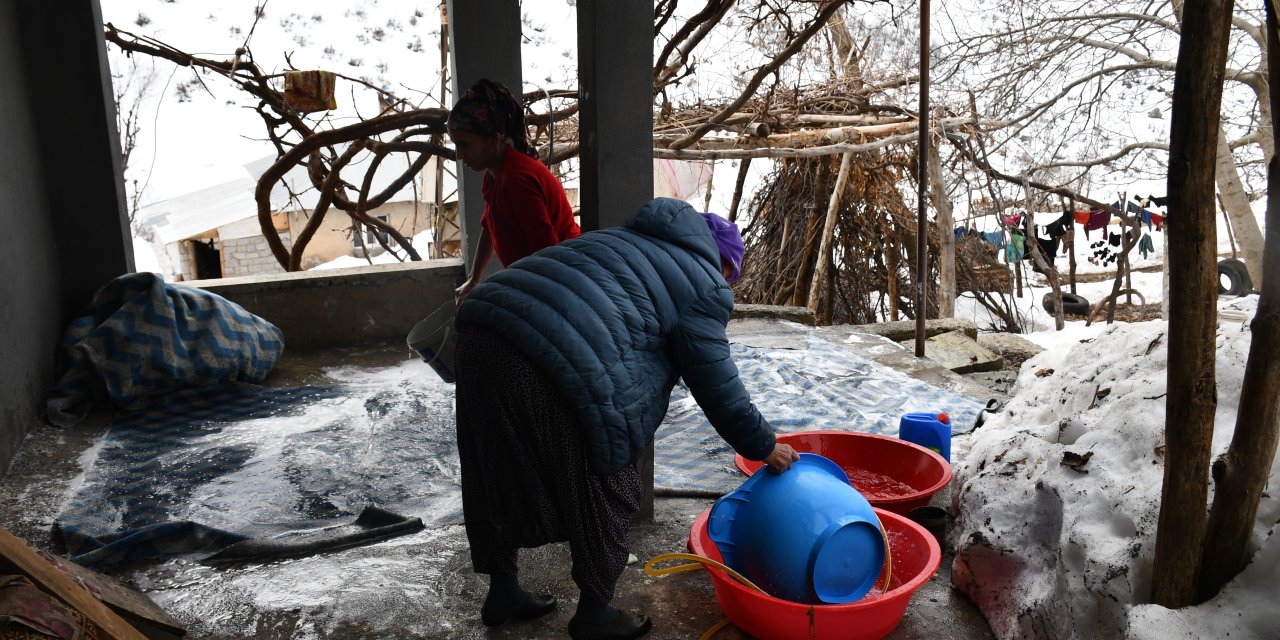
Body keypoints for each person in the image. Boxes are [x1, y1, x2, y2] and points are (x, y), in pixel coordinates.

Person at [453, 197, 799, 640]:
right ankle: (595, 614)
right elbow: (717, 384)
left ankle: (502, 590)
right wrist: (763, 445)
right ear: (725, 264)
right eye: (731, 274)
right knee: (604, 482)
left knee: (494, 468)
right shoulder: (705, 282)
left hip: (480, 330)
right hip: (546, 355)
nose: (727, 283)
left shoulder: (624, 239)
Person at [447, 78, 580, 302]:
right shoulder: (495, 176)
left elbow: (547, 254)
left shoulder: (516, 180)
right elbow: (490, 225)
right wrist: (475, 278)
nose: (459, 155)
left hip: (564, 282)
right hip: (542, 279)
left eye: (465, 144)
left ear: (494, 138)